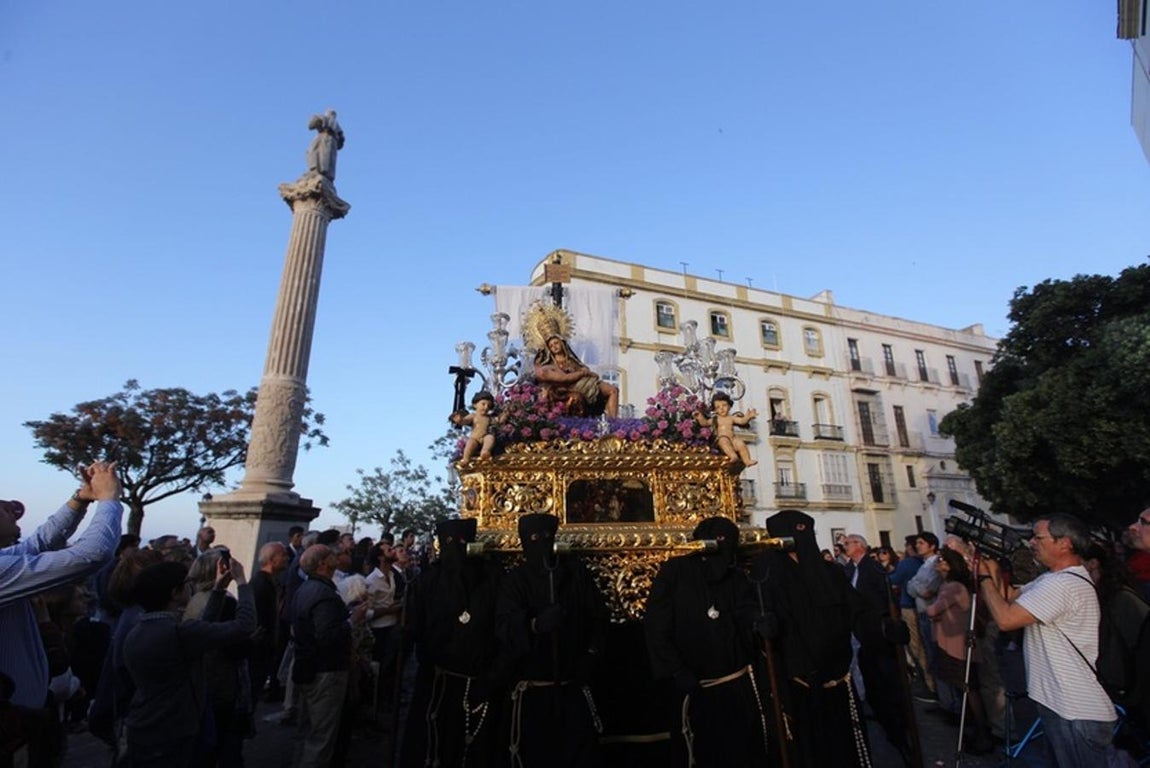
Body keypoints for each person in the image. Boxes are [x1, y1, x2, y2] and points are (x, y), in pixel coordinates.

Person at [751, 509, 908, 768]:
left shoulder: (831, 573)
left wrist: (883, 628)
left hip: (839, 685)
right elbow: (755, 619)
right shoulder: (766, 576)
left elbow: (858, 612)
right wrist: (760, 625)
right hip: (797, 689)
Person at [977, 514, 1116, 768]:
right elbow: (1008, 597)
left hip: (1074, 711)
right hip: (1062, 707)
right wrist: (992, 566)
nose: (1032, 542)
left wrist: (984, 578)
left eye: (1039, 537)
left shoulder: (1063, 585)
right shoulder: (1051, 580)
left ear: (1064, 543)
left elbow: (1006, 619)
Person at [644, 516, 769, 767]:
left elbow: (745, 609)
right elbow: (657, 626)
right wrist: (676, 670)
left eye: (727, 542)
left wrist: (757, 621)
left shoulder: (735, 578)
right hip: (693, 685)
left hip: (735, 684)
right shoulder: (674, 573)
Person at [0, 462, 122, 711]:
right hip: (13, 722)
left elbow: (40, 542)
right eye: (1, 508)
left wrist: (81, 499)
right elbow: (92, 554)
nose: (11, 510)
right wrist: (109, 499)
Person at [495, 513, 608, 767]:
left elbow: (598, 618)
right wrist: (533, 624)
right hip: (532, 691)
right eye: (534, 538)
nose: (542, 544)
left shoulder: (575, 575)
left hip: (571, 686)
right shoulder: (515, 580)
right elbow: (503, 625)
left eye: (547, 537)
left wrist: (590, 655)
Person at [123, 556, 254, 767]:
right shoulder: (177, 632)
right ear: (175, 592)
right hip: (174, 728)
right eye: (185, 584)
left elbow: (203, 628)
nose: (190, 587)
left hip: (145, 722)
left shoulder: (138, 631)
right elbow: (244, 626)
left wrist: (219, 588)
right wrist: (242, 583)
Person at [401, 518, 506, 768]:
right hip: (437, 681)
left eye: (462, 543)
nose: (456, 550)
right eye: (450, 544)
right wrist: (405, 637)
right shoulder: (428, 581)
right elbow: (417, 625)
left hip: (479, 680)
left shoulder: (492, 579)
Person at [842, 533, 915, 764]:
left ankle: (897, 723)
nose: (845, 546)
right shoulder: (853, 568)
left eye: (848, 543)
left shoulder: (872, 568)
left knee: (886, 677)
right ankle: (882, 713)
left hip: (876, 629)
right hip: (863, 630)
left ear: (859, 546)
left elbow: (883, 597)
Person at [290, 544, 363, 768]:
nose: (338, 556)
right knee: (321, 738)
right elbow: (328, 636)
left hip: (309, 667)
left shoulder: (306, 589)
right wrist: (353, 620)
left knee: (307, 732)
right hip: (326, 671)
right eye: (333, 554)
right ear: (322, 564)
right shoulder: (324, 594)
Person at [183, 547, 254, 767]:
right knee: (226, 747)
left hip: (203, 681)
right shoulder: (226, 602)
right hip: (224, 683)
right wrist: (242, 581)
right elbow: (237, 637)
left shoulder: (194, 599)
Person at [926, 548, 993, 754]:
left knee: (968, 688)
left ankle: (982, 732)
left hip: (957, 644)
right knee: (966, 687)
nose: (937, 563)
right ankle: (976, 729)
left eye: (941, 561)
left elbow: (932, 610)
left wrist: (933, 611)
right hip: (955, 642)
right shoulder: (949, 585)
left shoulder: (952, 587)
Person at [889, 534, 934, 700]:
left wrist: (911, 586)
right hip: (920, 606)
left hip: (911, 607)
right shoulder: (922, 564)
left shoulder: (909, 563)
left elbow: (897, 581)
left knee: (919, 649)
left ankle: (930, 686)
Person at [533, 335, 619, 418]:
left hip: (585, 383)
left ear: (562, 344)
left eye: (556, 343)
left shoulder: (572, 360)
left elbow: (585, 370)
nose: (554, 347)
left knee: (612, 390)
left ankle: (612, 421)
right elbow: (562, 379)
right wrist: (581, 373)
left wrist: (587, 373)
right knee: (577, 397)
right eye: (551, 346)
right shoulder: (551, 364)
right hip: (567, 389)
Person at [250, 542, 289, 704]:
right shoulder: (261, 583)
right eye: (283, 555)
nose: (286, 558)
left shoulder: (270, 582)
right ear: (272, 560)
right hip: (260, 648)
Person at [692, 393, 758, 467]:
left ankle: (747, 460)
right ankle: (733, 456)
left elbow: (742, 421)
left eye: (724, 405)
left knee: (740, 443)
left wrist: (748, 417)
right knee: (724, 441)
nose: (721, 408)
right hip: (722, 438)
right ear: (715, 410)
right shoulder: (716, 419)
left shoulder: (731, 418)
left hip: (733, 438)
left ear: (729, 406)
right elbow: (705, 423)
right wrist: (700, 416)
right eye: (718, 407)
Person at [451, 391, 498, 463]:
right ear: (475, 405)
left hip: (484, 437)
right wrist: (460, 420)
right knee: (470, 443)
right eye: (483, 404)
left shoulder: (489, 418)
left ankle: (485, 451)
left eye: (488, 406)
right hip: (475, 438)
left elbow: (498, 422)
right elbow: (465, 421)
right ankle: (466, 458)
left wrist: (504, 416)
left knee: (490, 438)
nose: (486, 407)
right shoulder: (473, 416)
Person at [305, 109, 344, 181]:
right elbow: (311, 125)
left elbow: (341, 142)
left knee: (322, 154)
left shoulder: (328, 119)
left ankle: (317, 170)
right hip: (328, 138)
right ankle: (317, 170)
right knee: (316, 152)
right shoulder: (335, 125)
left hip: (325, 137)